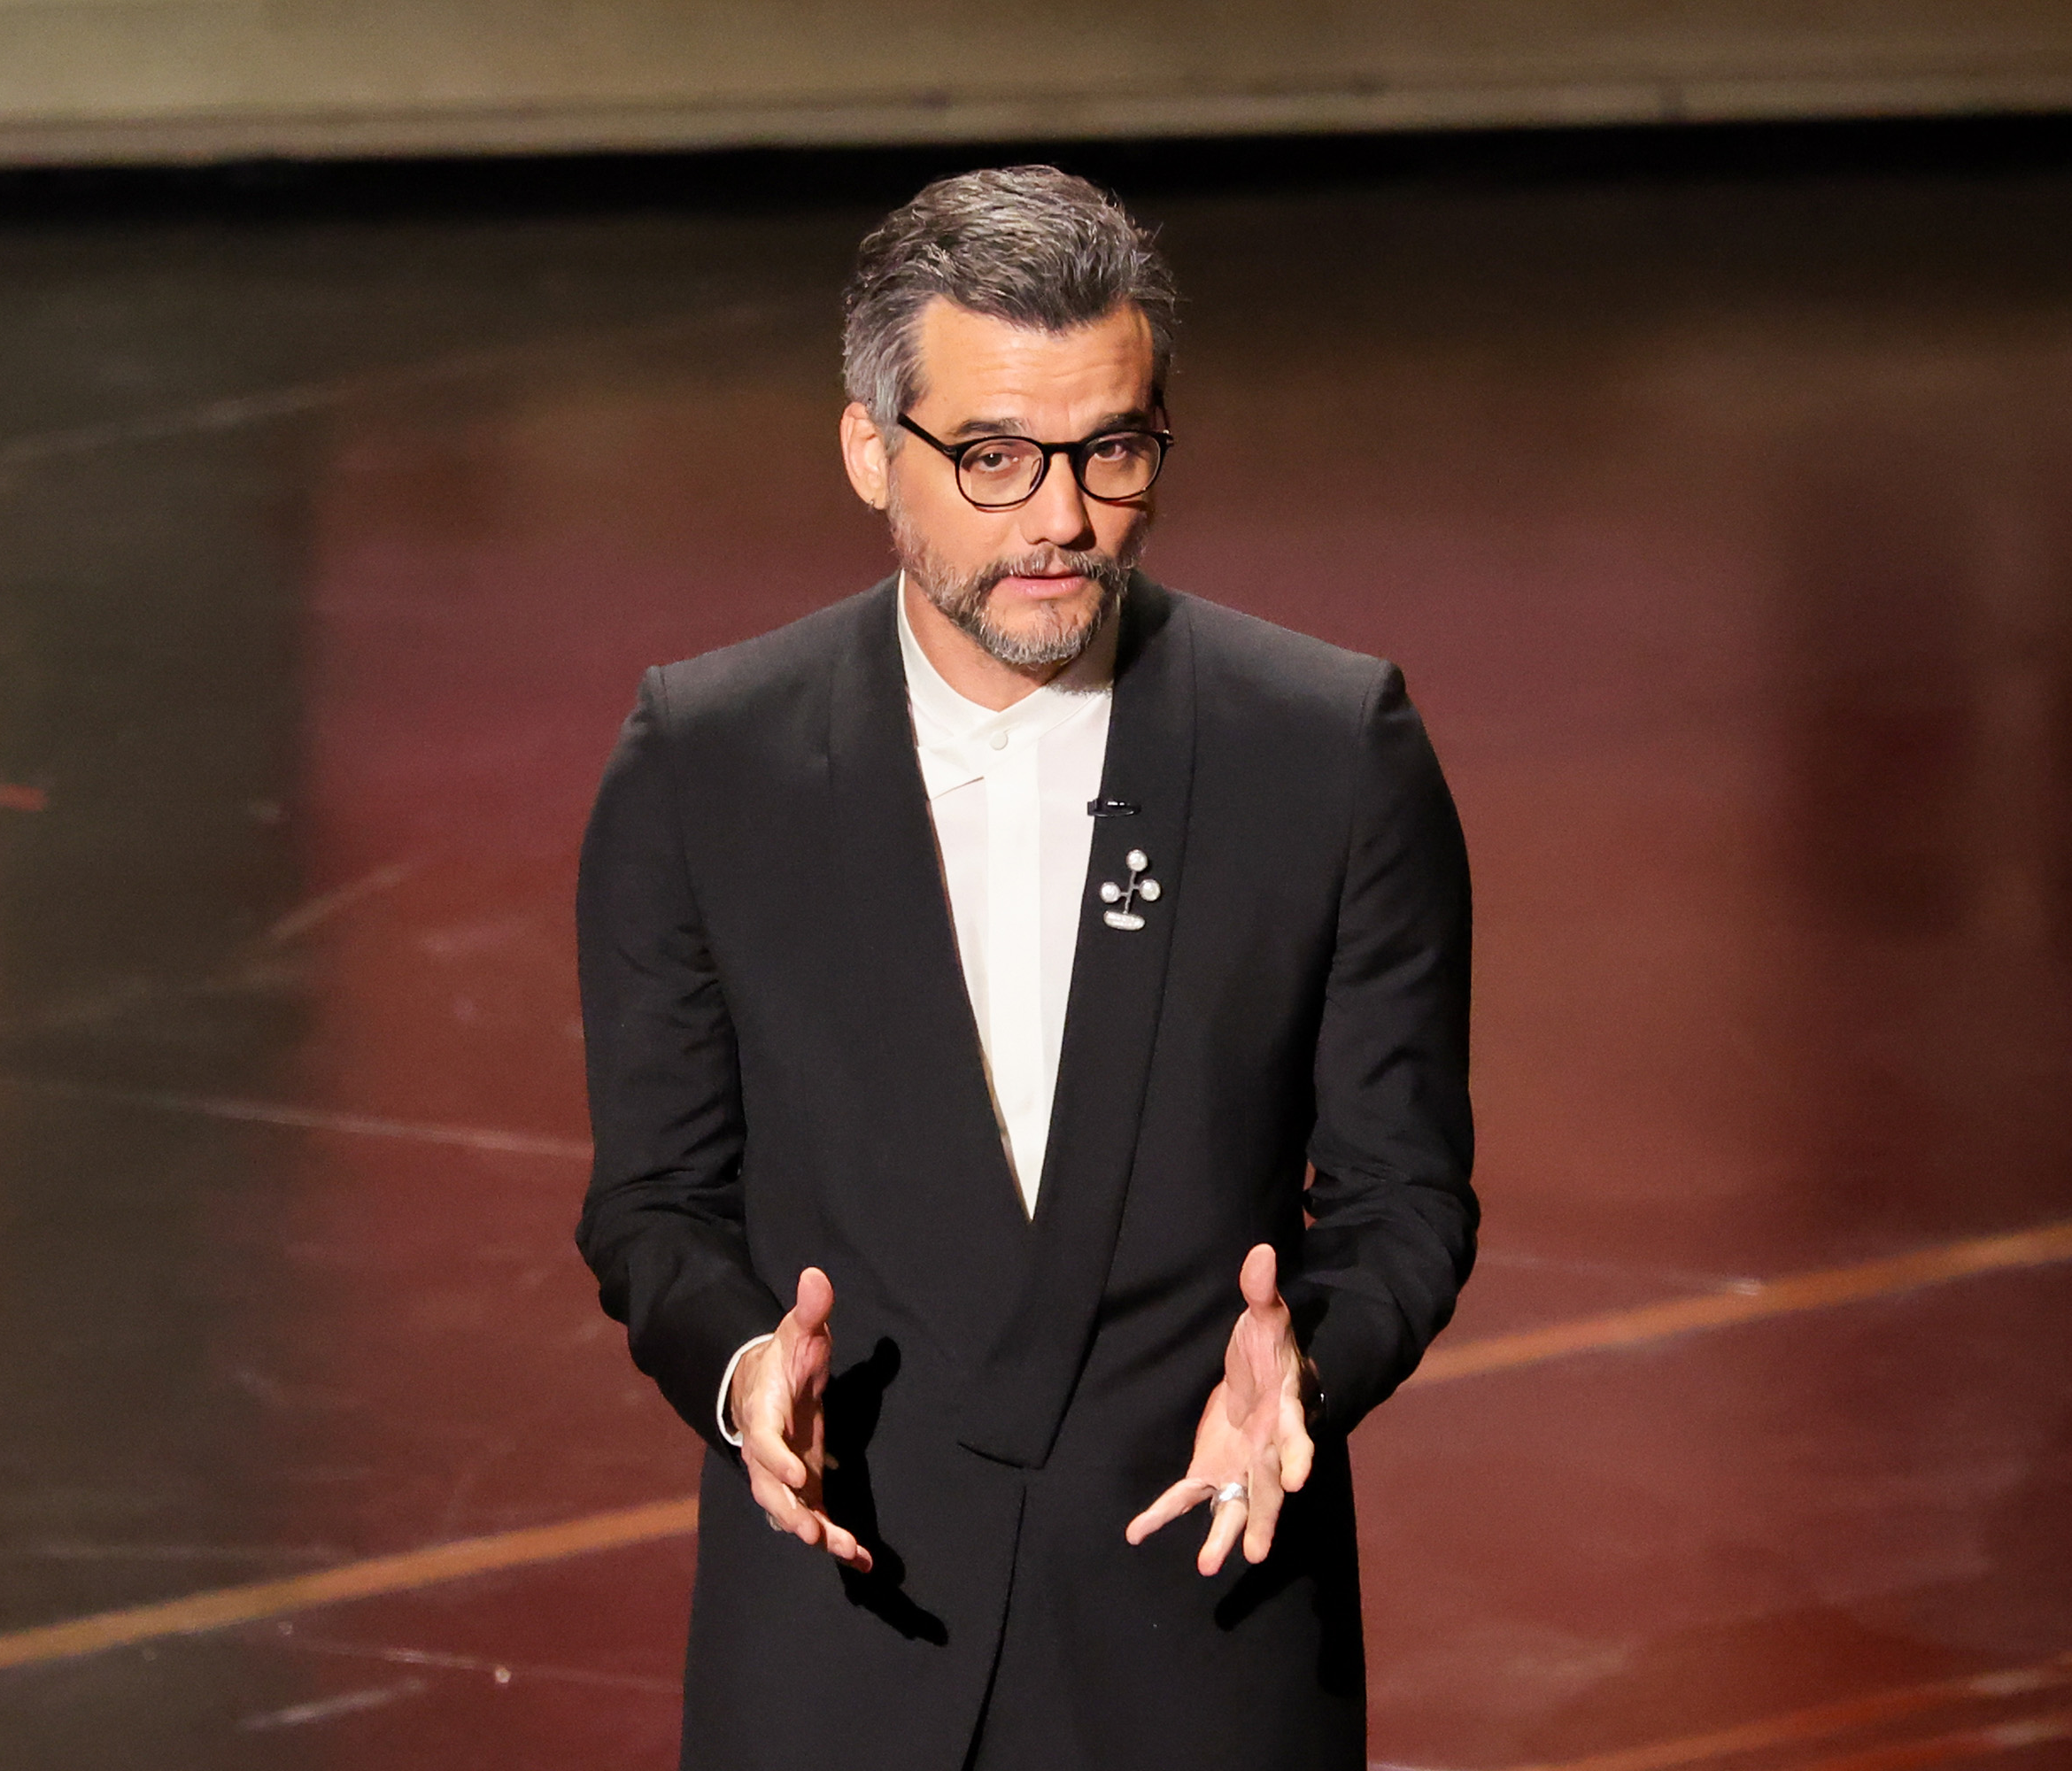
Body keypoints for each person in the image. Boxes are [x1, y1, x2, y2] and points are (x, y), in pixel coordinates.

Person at [576, 165, 1476, 1771]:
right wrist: (739, 1379)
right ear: (871, 451)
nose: (1060, 521)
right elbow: (653, 1202)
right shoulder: (707, 760)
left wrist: (1308, 1380)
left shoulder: (1329, 751)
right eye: (994, 458)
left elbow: (1407, 1203)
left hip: (1196, 1644)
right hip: (838, 1656)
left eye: (1111, 451)